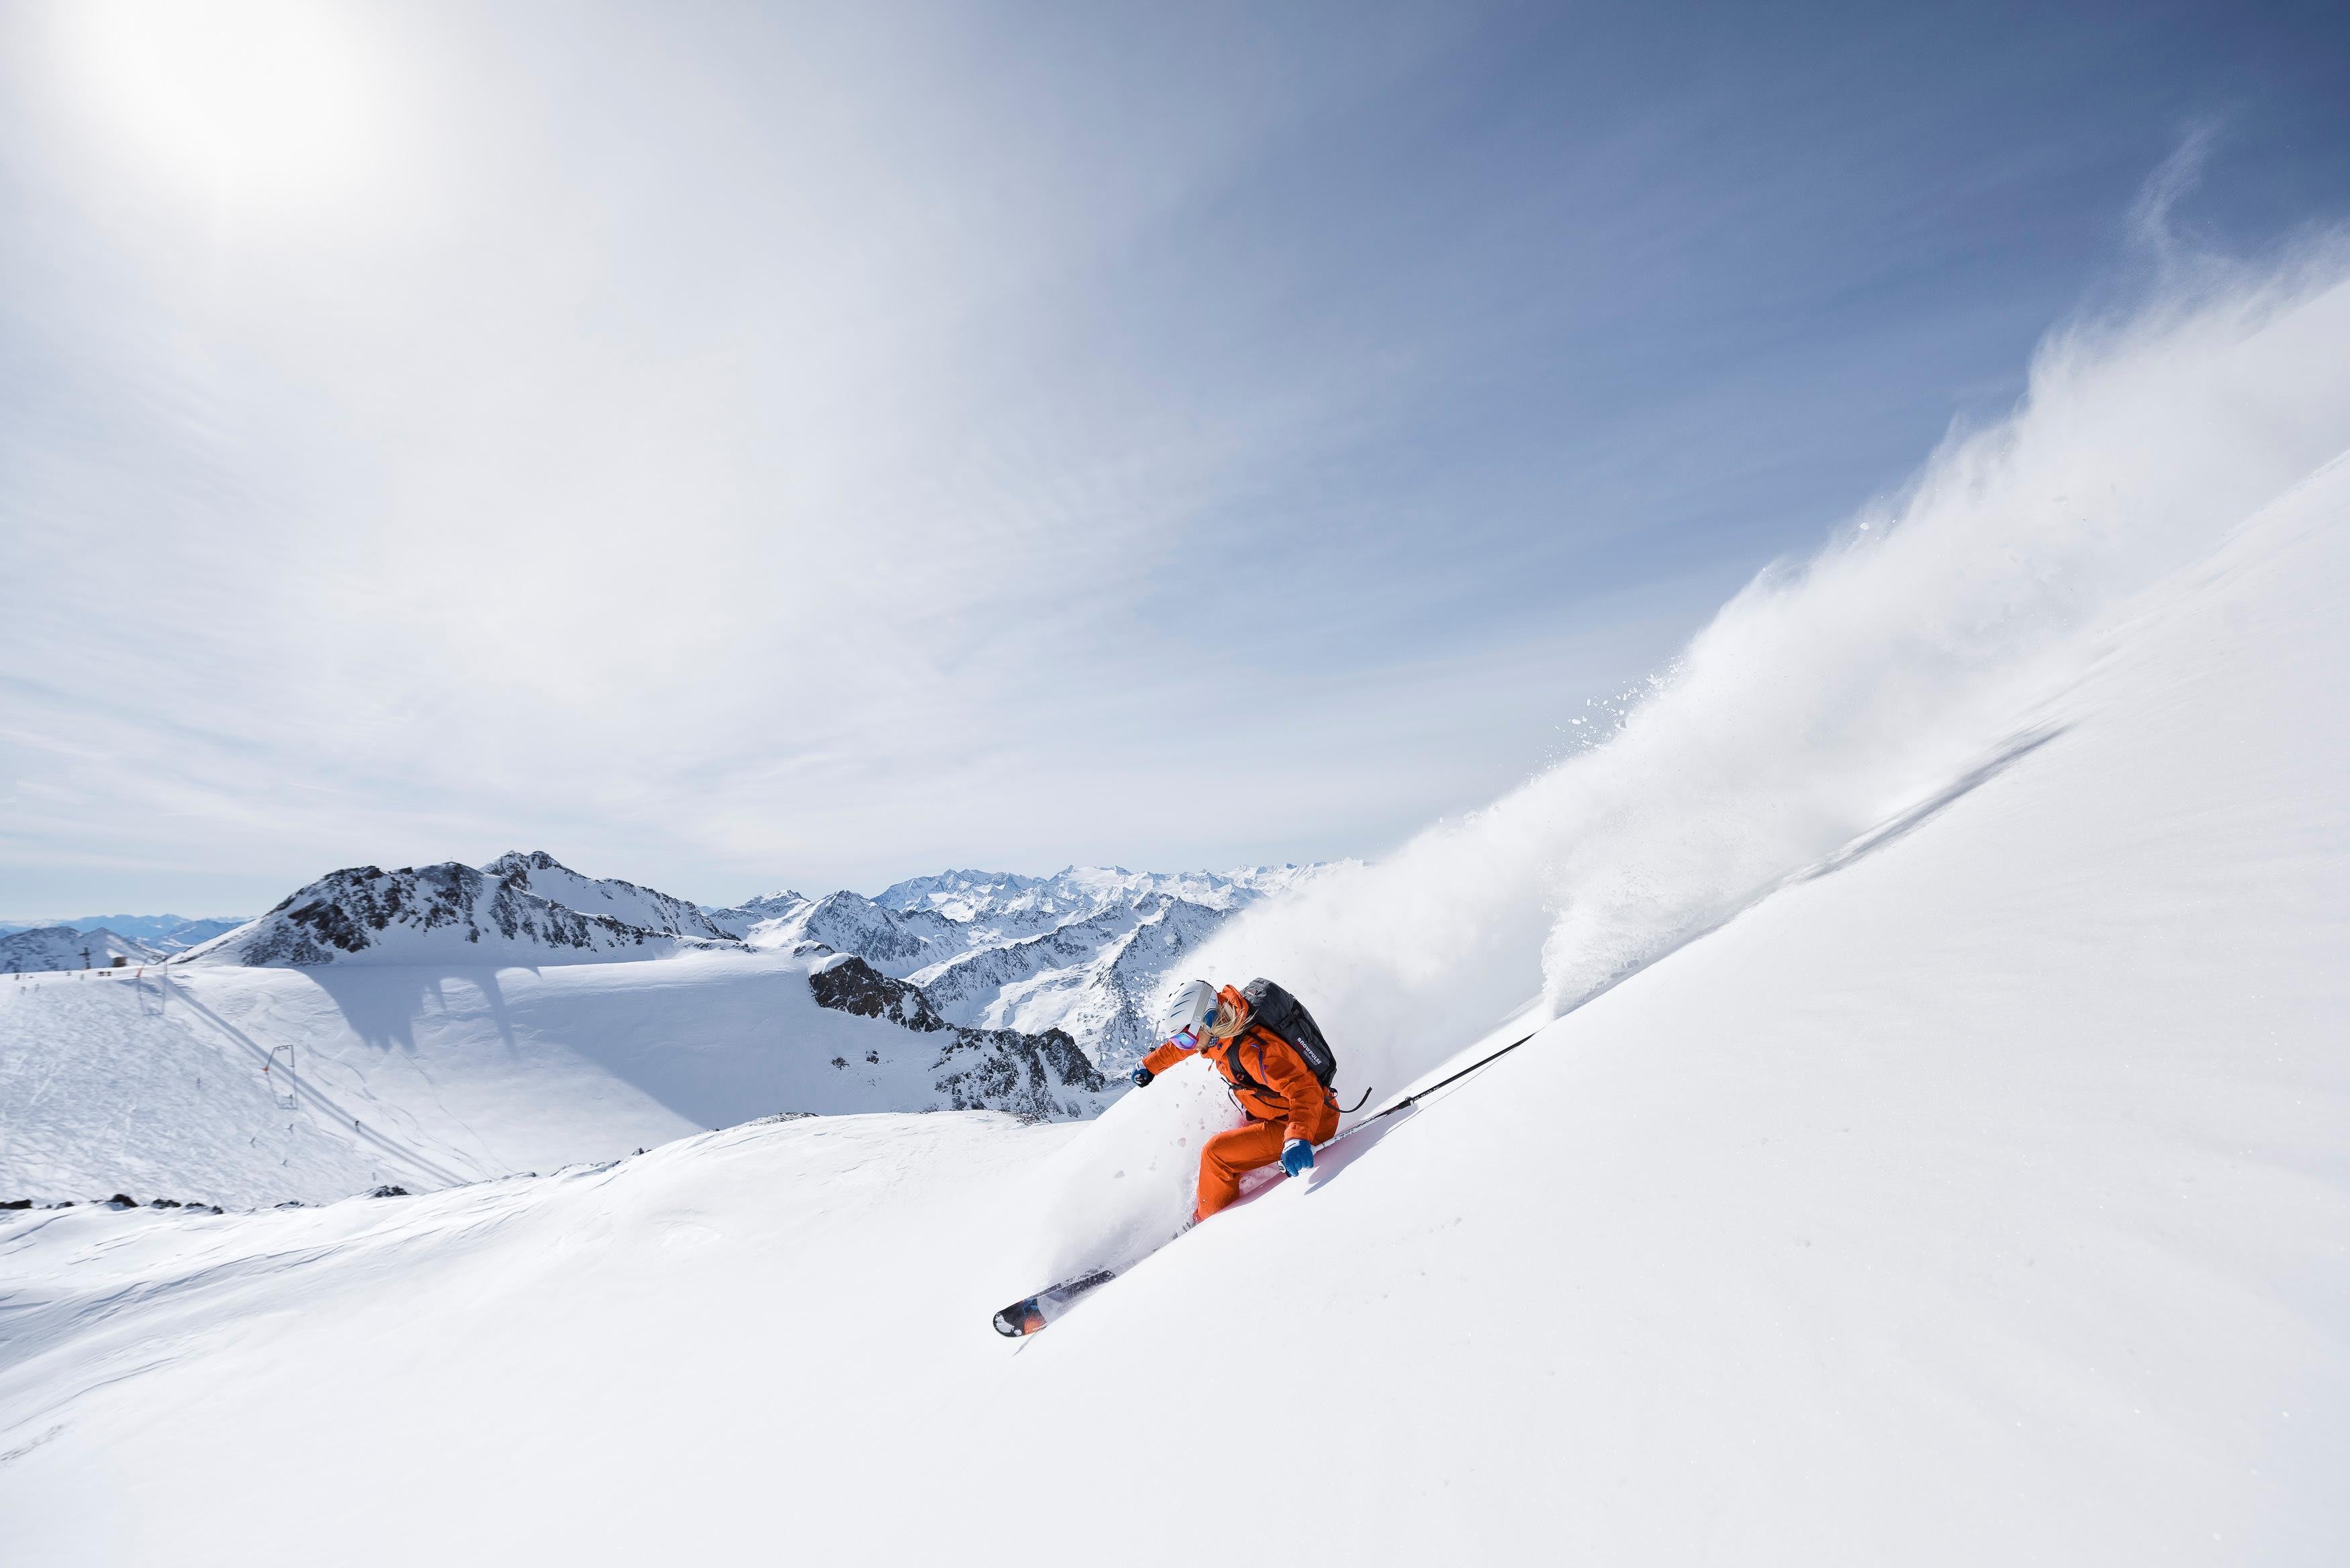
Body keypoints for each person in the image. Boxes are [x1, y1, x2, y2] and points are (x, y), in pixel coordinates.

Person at [1129, 978, 1340, 1221]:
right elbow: (1183, 1045)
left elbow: (1305, 1090)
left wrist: (1297, 1137)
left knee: (1216, 1154)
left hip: (1309, 1122)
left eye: (1185, 1040)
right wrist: (1149, 1066)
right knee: (1234, 1134)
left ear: (1207, 1021)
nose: (1187, 1047)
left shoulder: (1252, 1052)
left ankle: (1207, 1225)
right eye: (1179, 1040)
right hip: (1275, 1111)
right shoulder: (1223, 1023)